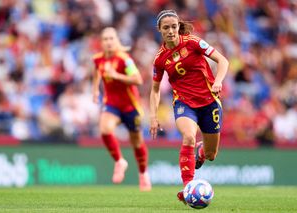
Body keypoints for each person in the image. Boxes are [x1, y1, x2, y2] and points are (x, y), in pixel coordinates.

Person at [149, 10, 229, 203]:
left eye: (174, 27)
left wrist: (218, 81)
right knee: (188, 136)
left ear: (178, 27)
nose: (170, 31)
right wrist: (153, 116)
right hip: (185, 103)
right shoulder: (160, 59)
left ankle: (202, 152)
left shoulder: (193, 42)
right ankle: (188, 188)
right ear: (160, 29)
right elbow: (155, 90)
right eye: (166, 28)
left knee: (211, 155)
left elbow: (222, 60)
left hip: (209, 102)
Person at [92, 27, 151, 191]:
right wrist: (95, 89)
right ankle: (119, 161)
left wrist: (116, 76)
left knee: (137, 142)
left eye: (111, 38)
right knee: (104, 128)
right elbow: (97, 74)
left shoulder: (125, 59)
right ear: (101, 42)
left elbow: (138, 79)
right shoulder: (98, 60)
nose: (108, 42)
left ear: (116, 40)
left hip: (130, 106)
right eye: (105, 39)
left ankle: (143, 173)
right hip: (112, 105)